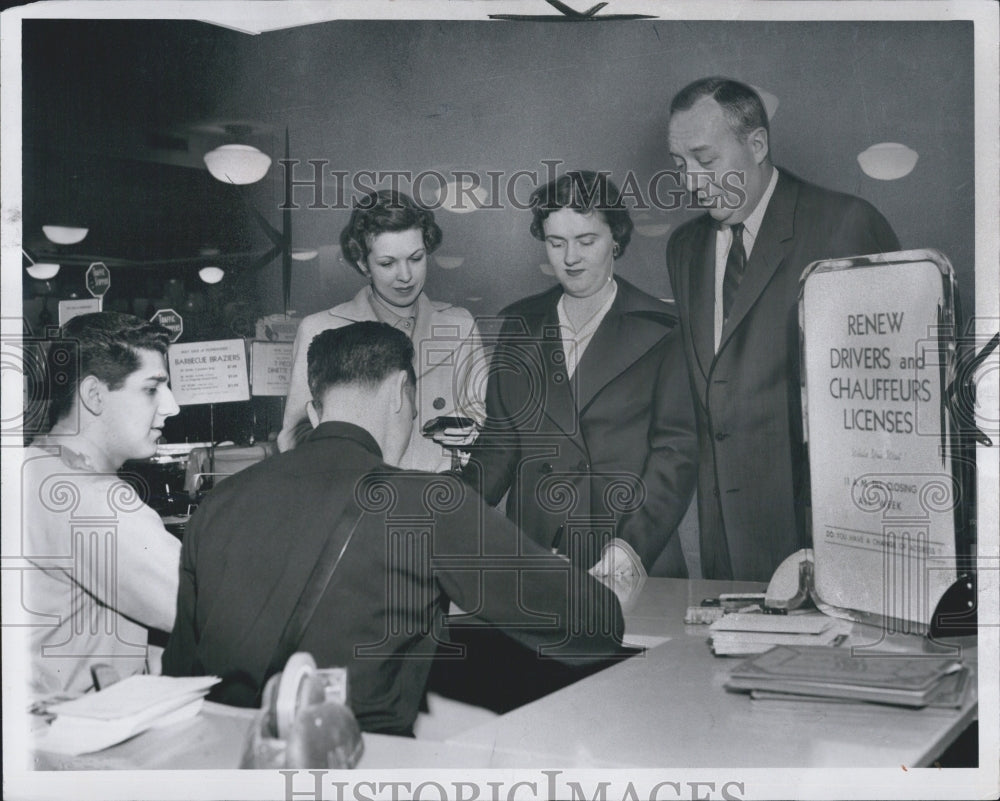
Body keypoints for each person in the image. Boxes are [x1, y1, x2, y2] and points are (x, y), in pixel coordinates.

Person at [163, 322, 627, 736]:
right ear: (402, 392)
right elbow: (593, 624)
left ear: (317, 412)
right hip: (359, 770)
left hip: (230, 768)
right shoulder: (427, 503)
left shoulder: (219, 503)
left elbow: (181, 674)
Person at [665, 77, 900, 581]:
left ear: (757, 144)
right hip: (722, 544)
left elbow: (891, 412)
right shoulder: (684, 248)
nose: (690, 182)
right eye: (679, 164)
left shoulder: (846, 224)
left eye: (705, 161)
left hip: (821, 540)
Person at [464, 171, 698, 578]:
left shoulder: (665, 329)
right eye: (556, 243)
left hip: (633, 551)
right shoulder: (518, 324)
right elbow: (499, 445)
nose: (570, 258)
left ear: (616, 240)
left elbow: (676, 454)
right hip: (538, 555)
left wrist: (629, 549)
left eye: (586, 241)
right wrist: (448, 514)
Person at [17, 312, 181, 695]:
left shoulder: (30, 467)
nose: (171, 406)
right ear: (93, 396)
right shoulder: (95, 501)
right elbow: (207, 610)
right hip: (79, 735)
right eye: (152, 388)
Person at [277, 190, 485, 472]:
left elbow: (481, 414)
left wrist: (469, 429)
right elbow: (294, 437)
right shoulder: (321, 328)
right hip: (356, 498)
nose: (406, 276)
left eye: (416, 258)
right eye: (388, 263)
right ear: (363, 264)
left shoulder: (458, 326)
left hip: (438, 498)